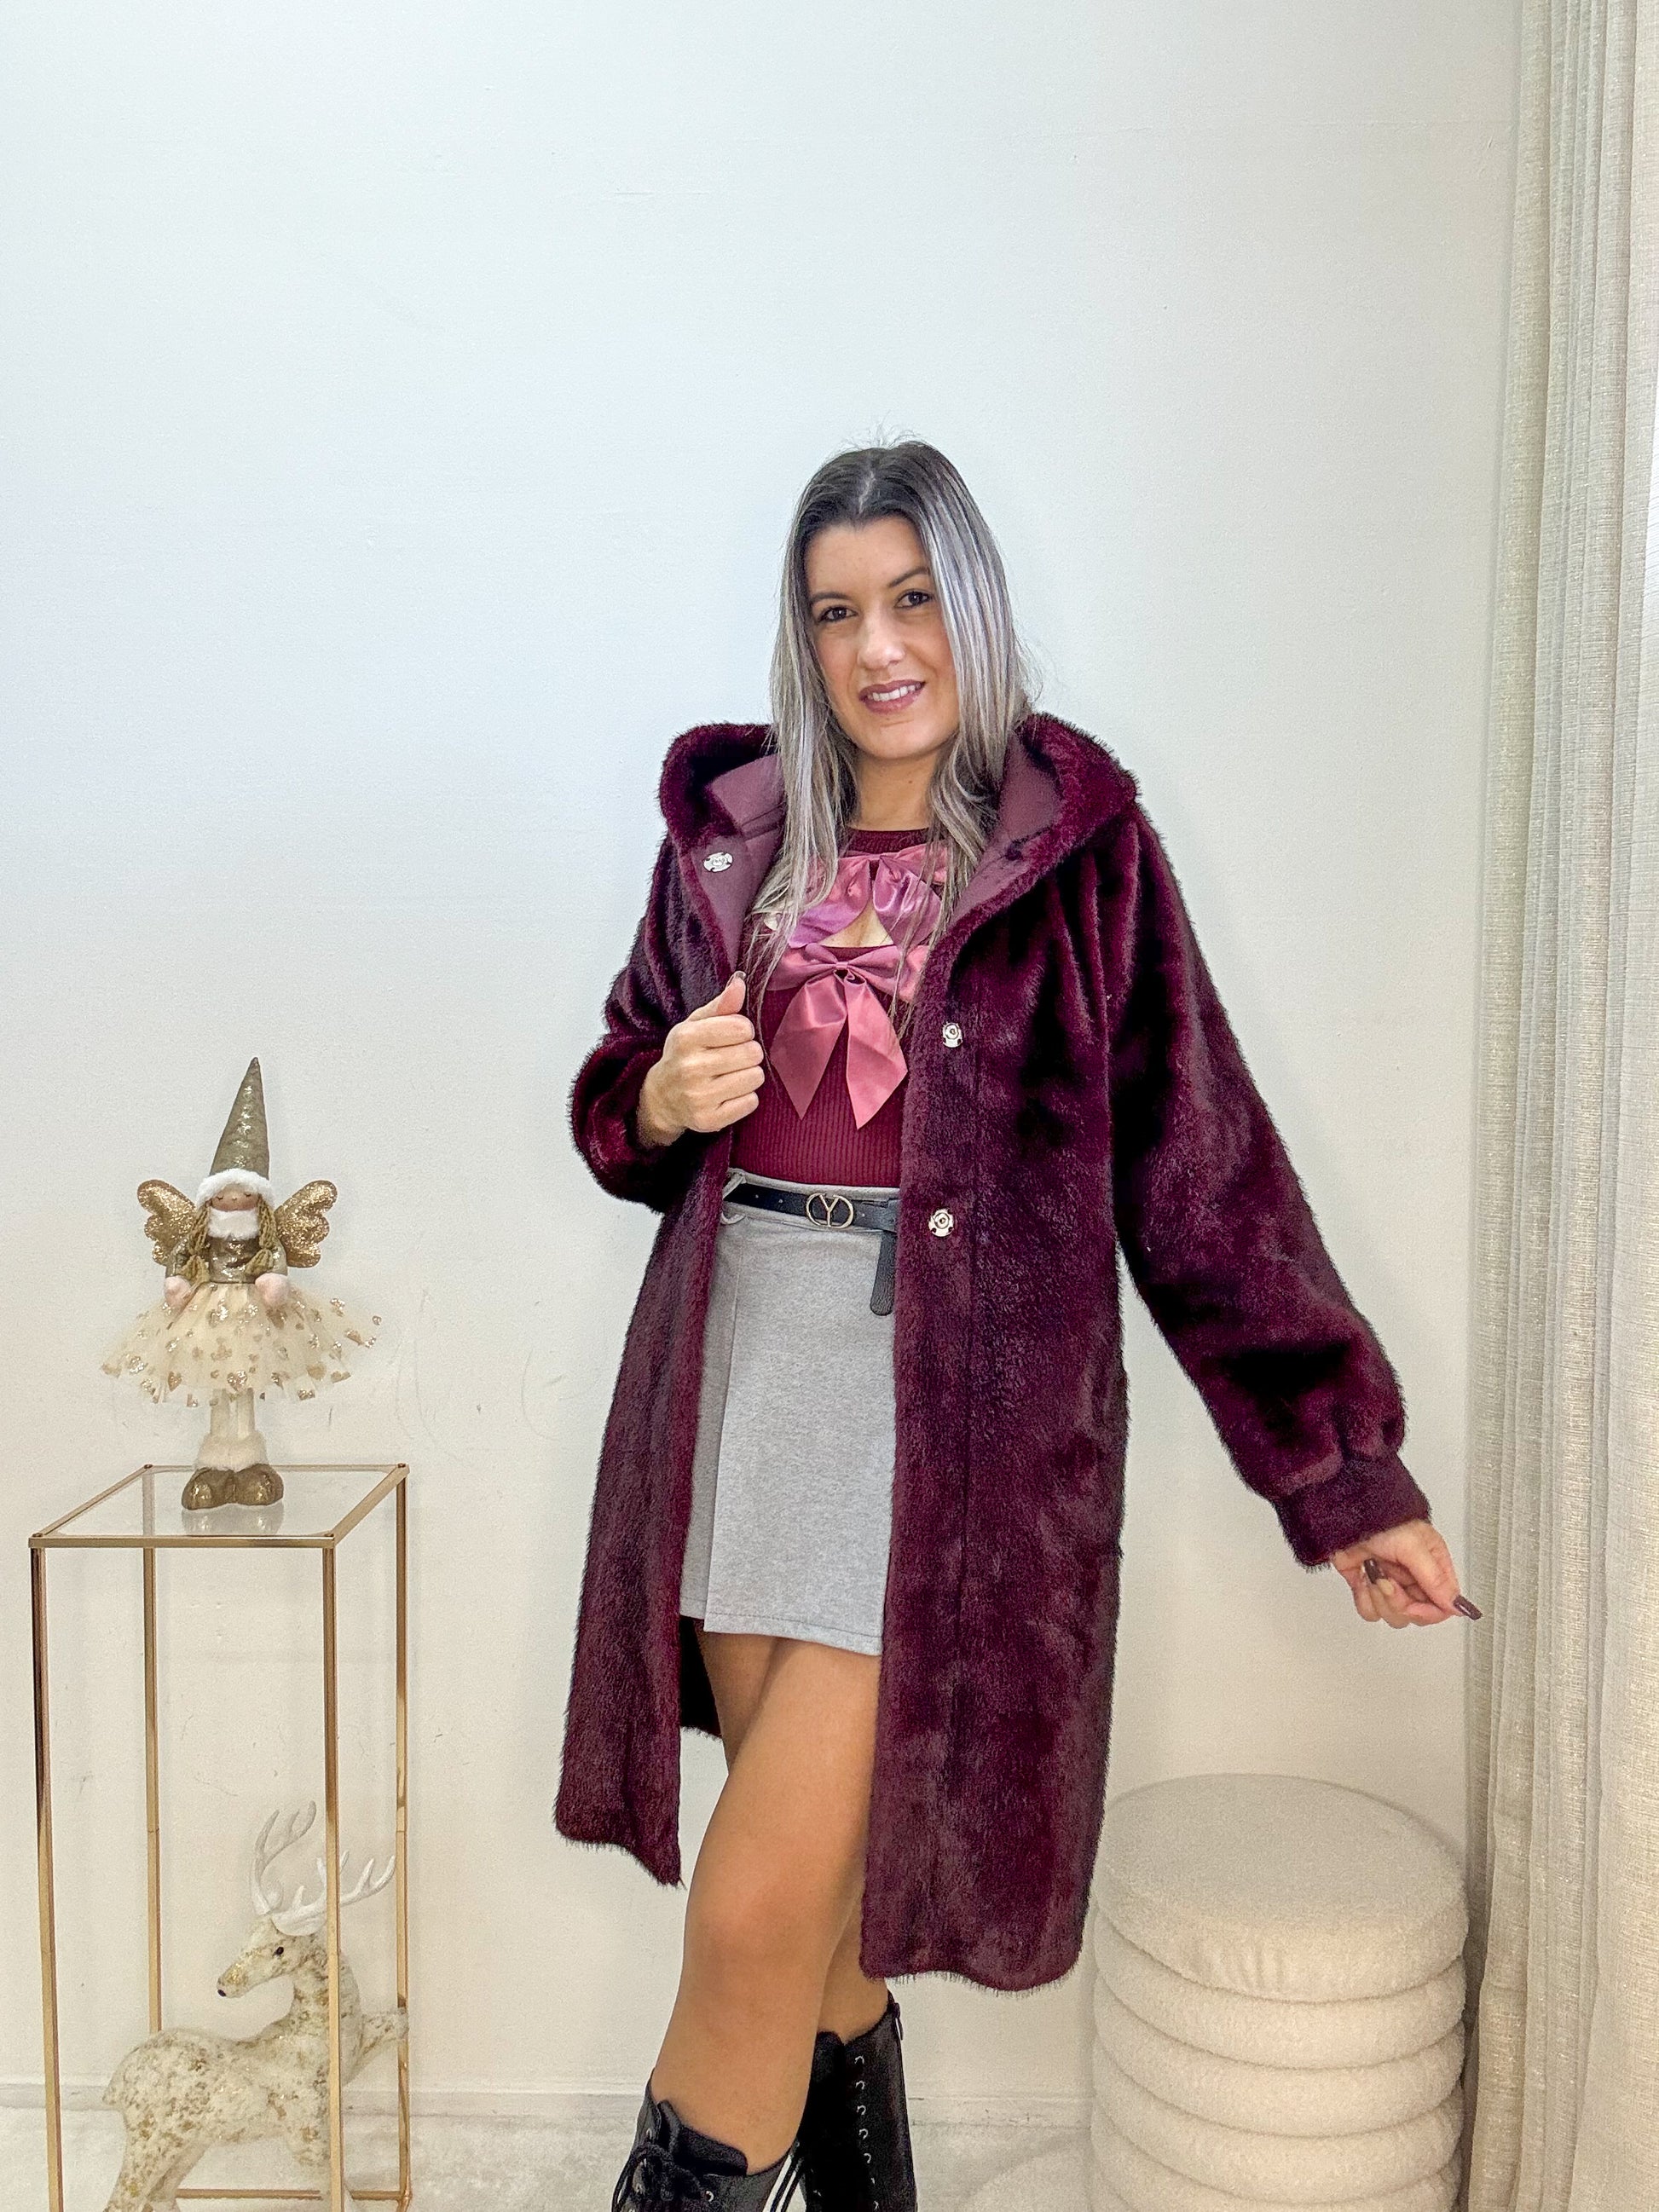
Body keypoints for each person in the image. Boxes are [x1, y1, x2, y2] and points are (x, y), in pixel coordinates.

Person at [561, 441, 1470, 2212]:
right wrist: (658, 1093)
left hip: (950, 1416)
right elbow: (619, 1093)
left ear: (969, 606)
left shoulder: (1075, 854)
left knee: (748, 1917)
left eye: (911, 599)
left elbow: (1205, 1173)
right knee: (809, 1915)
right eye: (836, 612)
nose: (877, 647)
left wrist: (1342, 1476)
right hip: (740, 1371)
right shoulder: (735, 836)